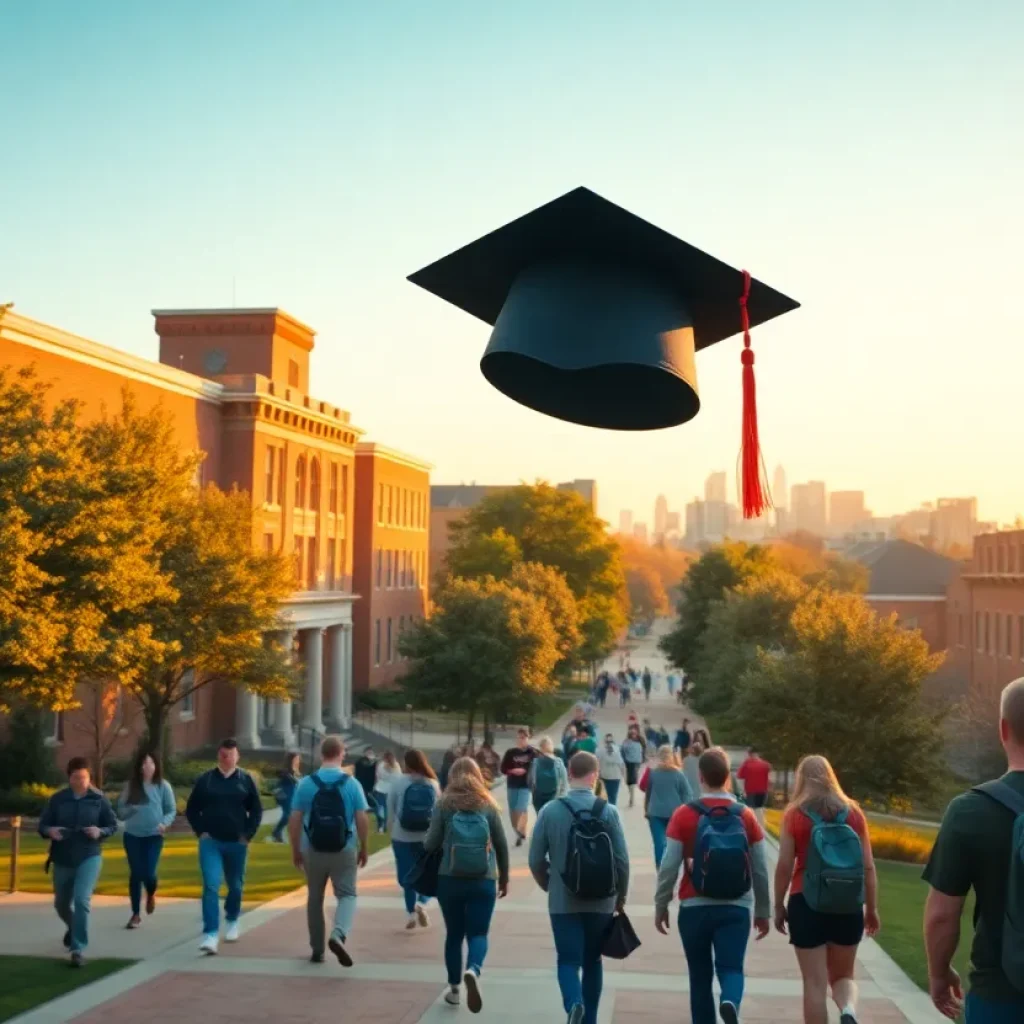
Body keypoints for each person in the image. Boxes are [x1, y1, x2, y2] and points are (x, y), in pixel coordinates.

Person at [924, 676, 1024, 1022]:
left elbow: (942, 914)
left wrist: (939, 975)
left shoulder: (970, 810)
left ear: (1002, 729)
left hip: (1001, 993)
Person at [655, 747, 772, 1024]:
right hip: (736, 906)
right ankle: (730, 1000)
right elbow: (759, 868)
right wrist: (764, 910)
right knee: (732, 968)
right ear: (727, 777)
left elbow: (669, 865)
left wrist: (661, 904)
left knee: (699, 977)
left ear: (701, 776)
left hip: (694, 905)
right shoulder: (745, 815)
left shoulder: (684, 814)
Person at [774, 755, 879, 1024]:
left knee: (814, 983)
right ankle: (848, 1011)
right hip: (847, 905)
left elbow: (785, 866)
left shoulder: (795, 815)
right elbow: (868, 867)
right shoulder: (854, 813)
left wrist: (778, 906)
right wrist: (872, 909)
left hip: (806, 903)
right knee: (844, 977)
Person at [529, 751, 630, 1024]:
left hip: (563, 901)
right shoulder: (608, 812)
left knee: (567, 961)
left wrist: (549, 884)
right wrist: (620, 896)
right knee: (593, 961)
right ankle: (590, 1020)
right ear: (595, 776)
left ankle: (574, 1004)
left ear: (569, 774)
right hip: (601, 901)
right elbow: (622, 860)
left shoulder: (550, 811)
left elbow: (535, 858)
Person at [424, 757, 510, 1011]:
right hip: (484, 879)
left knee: (454, 934)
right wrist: (504, 877)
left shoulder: (444, 804)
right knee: (478, 933)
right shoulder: (487, 803)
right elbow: (502, 844)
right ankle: (473, 969)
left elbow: (430, 844)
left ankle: (454, 989)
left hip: (449, 879)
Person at [289, 735, 370, 965]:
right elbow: (361, 817)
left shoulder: (306, 783)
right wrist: (364, 847)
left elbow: (294, 819)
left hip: (312, 849)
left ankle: (317, 948)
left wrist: (296, 849)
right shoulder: (352, 784)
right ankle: (339, 933)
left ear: (321, 754)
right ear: (341, 753)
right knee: (347, 894)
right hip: (344, 848)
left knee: (315, 897)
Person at [185, 737, 264, 954]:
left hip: (236, 843)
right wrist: (201, 831)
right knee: (211, 885)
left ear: (237, 756)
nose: (227, 757)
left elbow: (256, 810)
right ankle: (210, 934)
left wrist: (247, 835)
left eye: (231, 754)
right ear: (219, 755)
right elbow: (192, 809)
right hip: (212, 843)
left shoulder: (245, 780)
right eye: (223, 754)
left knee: (235, 885)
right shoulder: (207, 780)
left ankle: (232, 918)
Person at [38, 756, 118, 966]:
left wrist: (99, 831)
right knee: (61, 904)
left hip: (89, 855)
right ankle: (74, 927)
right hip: (63, 857)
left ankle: (78, 949)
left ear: (89, 777)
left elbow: (112, 825)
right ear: (69, 778)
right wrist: (50, 831)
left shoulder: (99, 799)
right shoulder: (58, 799)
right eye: (77, 777)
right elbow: (43, 825)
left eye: (85, 777)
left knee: (82, 900)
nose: (81, 781)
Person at [117, 748, 176, 929]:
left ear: (156, 766)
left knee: (149, 873)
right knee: (136, 873)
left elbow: (171, 809)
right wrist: (132, 809)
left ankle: (151, 893)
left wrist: (164, 823)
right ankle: (135, 914)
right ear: (139, 767)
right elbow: (120, 811)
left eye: (151, 763)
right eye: (144, 763)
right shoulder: (131, 786)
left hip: (154, 836)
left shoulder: (163, 786)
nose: (148, 766)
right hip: (133, 836)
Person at [388, 748, 440, 930]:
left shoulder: (397, 782)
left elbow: (391, 810)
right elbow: (439, 812)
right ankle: (422, 903)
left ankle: (410, 913)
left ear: (406, 763)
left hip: (401, 836)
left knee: (407, 876)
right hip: (426, 837)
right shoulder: (433, 783)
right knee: (430, 875)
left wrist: (391, 831)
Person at [645, 745, 693, 868]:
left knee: (659, 843)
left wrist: (646, 809)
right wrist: (684, 810)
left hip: (655, 813)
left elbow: (648, 793)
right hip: (674, 814)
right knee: (672, 844)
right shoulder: (679, 774)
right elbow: (687, 795)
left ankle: (660, 867)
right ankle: (669, 867)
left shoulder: (654, 773)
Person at [501, 728, 538, 845]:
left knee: (521, 808)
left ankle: (521, 832)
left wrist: (525, 770)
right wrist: (512, 771)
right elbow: (503, 769)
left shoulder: (532, 753)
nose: (521, 740)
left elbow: (536, 767)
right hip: (512, 784)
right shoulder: (510, 753)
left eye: (524, 737)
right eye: (519, 737)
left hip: (525, 785)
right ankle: (518, 830)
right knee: (513, 810)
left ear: (528, 738)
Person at [530, 736, 569, 813]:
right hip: (554, 797)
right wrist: (562, 798)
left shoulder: (535, 762)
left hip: (538, 798)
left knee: (541, 819)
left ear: (541, 748)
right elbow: (564, 782)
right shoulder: (558, 762)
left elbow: (531, 781)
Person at [269, 751, 301, 843]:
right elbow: (280, 775)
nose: (298, 761)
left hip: (293, 795)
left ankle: (277, 833)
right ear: (291, 760)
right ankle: (276, 832)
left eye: (298, 759)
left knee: (291, 816)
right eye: (296, 759)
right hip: (284, 795)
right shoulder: (286, 771)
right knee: (288, 815)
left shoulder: (296, 771)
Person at [737, 748, 773, 826]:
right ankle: (761, 829)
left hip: (750, 791)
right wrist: (768, 789)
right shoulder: (766, 765)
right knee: (760, 809)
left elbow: (739, 778)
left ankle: (752, 829)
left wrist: (742, 791)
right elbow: (770, 780)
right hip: (763, 791)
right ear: (758, 754)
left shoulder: (746, 764)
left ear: (749, 754)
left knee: (750, 811)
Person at [373, 749, 402, 834]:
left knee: (380, 808)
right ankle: (388, 826)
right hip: (392, 790)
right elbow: (399, 778)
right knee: (390, 809)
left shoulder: (381, 765)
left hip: (381, 788)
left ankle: (380, 826)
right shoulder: (396, 765)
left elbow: (378, 776)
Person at [620, 724, 646, 808]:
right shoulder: (626, 741)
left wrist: (643, 758)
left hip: (636, 762)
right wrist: (624, 759)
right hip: (629, 762)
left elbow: (644, 749)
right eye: (632, 732)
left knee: (632, 779)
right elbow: (622, 750)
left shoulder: (641, 740)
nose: (633, 733)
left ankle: (632, 797)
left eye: (635, 732)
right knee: (630, 780)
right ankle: (631, 793)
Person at [598, 734, 625, 807]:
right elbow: (621, 764)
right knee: (611, 797)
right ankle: (611, 812)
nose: (609, 743)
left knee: (608, 797)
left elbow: (621, 764)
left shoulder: (601, 750)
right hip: (611, 777)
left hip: (610, 776)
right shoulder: (603, 750)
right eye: (608, 741)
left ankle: (609, 813)